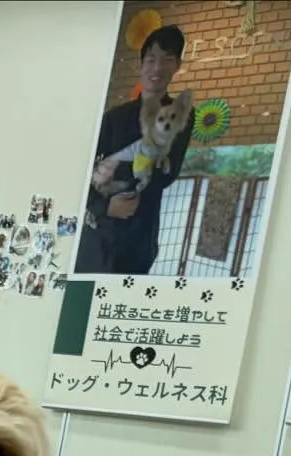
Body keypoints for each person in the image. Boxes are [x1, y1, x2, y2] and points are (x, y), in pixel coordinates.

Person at [76, 25, 193, 276]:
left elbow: (166, 173)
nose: (158, 68)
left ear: (177, 65)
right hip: (97, 236)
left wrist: (131, 181)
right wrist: (104, 207)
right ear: (141, 65)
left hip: (139, 239)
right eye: (151, 60)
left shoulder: (179, 114)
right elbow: (80, 171)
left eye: (167, 60)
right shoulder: (114, 118)